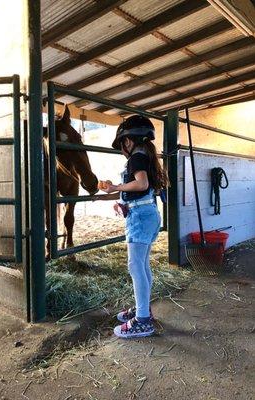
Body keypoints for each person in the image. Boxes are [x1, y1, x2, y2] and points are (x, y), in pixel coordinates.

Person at [101, 115, 169, 339]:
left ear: (128, 141)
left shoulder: (136, 158)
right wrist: (124, 200)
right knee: (142, 265)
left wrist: (115, 187)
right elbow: (143, 189)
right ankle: (144, 309)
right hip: (147, 213)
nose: (122, 150)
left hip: (140, 218)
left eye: (121, 145)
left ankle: (142, 321)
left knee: (135, 266)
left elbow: (141, 183)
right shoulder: (146, 155)